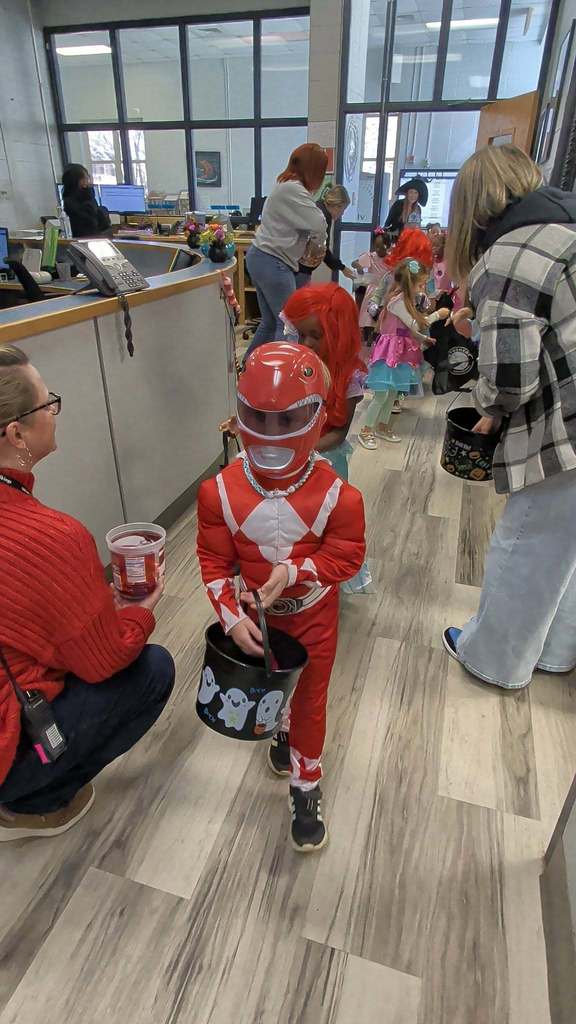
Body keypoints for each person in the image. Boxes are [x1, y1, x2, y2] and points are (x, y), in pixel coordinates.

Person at [0, 346, 174, 841]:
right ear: (16, 432)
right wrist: (139, 610)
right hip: (12, 740)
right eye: (46, 404)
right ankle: (30, 800)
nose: (54, 414)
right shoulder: (50, 535)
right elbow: (102, 661)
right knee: (152, 668)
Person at [197, 343, 366, 851]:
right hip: (256, 618)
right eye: (257, 418)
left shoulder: (340, 497)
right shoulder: (219, 492)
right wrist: (229, 616)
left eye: (287, 419)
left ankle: (306, 784)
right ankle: (283, 732)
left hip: (313, 616)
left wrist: (296, 570)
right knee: (268, 689)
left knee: (311, 700)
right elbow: (213, 561)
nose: (271, 435)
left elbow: (348, 558)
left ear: (314, 415)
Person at [442, 144, 576, 689]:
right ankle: (553, 650)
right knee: (566, 549)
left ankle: (492, 659)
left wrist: (490, 410)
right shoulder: (564, 231)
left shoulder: (507, 257)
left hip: (565, 428)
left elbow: (512, 378)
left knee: (526, 542)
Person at [282, 283, 372, 593]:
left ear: (337, 335)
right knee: (289, 522)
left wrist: (299, 451)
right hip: (290, 461)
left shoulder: (351, 378)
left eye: (315, 336)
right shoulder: (293, 365)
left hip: (324, 464)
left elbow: (338, 433)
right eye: (301, 334)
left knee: (321, 524)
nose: (305, 343)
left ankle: (321, 584)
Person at [245, 144, 328, 357]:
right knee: (290, 324)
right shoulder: (293, 189)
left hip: (261, 257)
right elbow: (319, 223)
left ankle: (248, 370)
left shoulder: (286, 186)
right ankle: (279, 378)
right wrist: (319, 241)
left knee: (272, 321)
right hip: (273, 260)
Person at [359, 258, 449, 449]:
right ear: (410, 283)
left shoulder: (406, 301)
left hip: (400, 350)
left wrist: (422, 339)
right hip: (389, 351)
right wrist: (437, 315)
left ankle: (382, 426)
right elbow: (415, 323)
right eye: (420, 283)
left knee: (392, 393)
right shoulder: (397, 302)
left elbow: (409, 329)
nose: (423, 287)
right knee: (382, 395)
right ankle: (366, 430)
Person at [296, 184, 355, 288]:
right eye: (343, 210)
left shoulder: (318, 207)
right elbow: (322, 249)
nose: (342, 214)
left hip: (297, 264)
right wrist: (342, 268)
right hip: (299, 267)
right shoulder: (323, 216)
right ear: (338, 206)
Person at [354, 228, 394, 345]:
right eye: (376, 246)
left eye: (382, 247)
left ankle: (381, 338)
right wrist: (359, 266)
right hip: (373, 290)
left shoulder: (391, 258)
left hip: (387, 290)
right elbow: (355, 262)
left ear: (388, 245)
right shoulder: (371, 256)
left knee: (383, 317)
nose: (378, 249)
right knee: (369, 317)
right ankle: (368, 338)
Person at [62, 164, 111, 239]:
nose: (89, 180)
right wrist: (90, 191)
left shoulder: (67, 199)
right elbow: (92, 222)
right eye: (86, 177)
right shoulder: (85, 198)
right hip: (90, 239)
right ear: (81, 181)